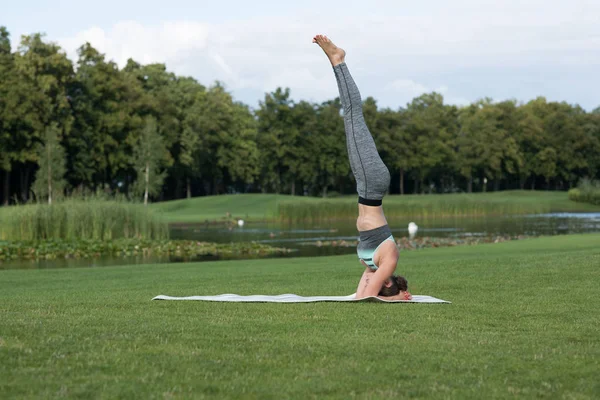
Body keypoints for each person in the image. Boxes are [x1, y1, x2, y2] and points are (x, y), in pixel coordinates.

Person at [313, 34, 412, 301]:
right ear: (387, 282)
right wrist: (395, 298)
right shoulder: (388, 260)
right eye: (382, 285)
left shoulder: (373, 264)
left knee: (350, 117)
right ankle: (338, 61)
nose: (374, 283)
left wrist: (386, 295)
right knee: (352, 115)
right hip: (372, 183)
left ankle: (337, 62)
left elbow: (360, 295)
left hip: (365, 186)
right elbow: (368, 296)